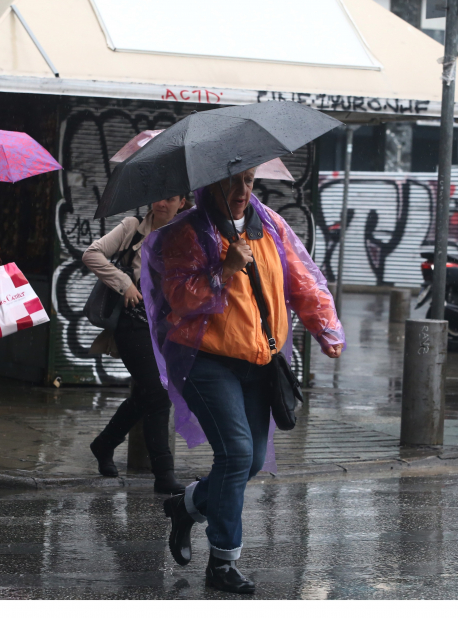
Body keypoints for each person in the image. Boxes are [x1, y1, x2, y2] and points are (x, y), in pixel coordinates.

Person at [141, 169, 344, 594]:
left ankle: (188, 505)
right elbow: (178, 298)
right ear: (208, 184)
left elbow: (303, 279)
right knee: (235, 454)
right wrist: (224, 269)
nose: (241, 191)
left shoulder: (269, 223)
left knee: (250, 461)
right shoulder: (185, 233)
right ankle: (223, 561)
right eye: (231, 181)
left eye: (249, 180)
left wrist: (326, 328)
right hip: (206, 359)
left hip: (258, 361)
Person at [83, 195, 187, 495]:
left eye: (170, 198)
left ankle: (103, 444)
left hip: (165, 330)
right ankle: (163, 473)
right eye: (157, 196)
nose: (160, 203)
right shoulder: (133, 228)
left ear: (182, 202)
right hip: (131, 325)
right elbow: (92, 254)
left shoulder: (184, 236)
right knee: (158, 394)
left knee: (145, 395)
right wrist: (124, 282)